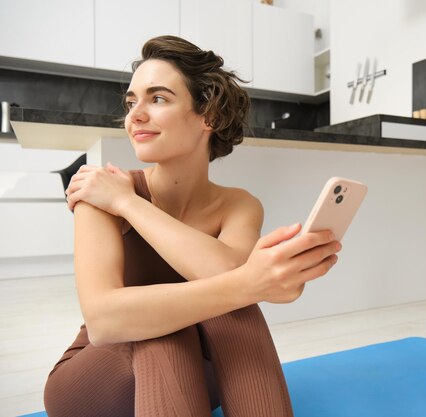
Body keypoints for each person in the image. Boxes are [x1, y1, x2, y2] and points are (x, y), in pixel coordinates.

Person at [43, 35, 341, 417]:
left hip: (194, 378)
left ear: (209, 116)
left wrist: (130, 206)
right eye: (131, 102)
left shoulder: (239, 204)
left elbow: (231, 277)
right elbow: (103, 321)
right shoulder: (103, 194)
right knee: (173, 325)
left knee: (233, 302)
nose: (134, 115)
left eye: (158, 98)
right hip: (95, 383)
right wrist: (124, 201)